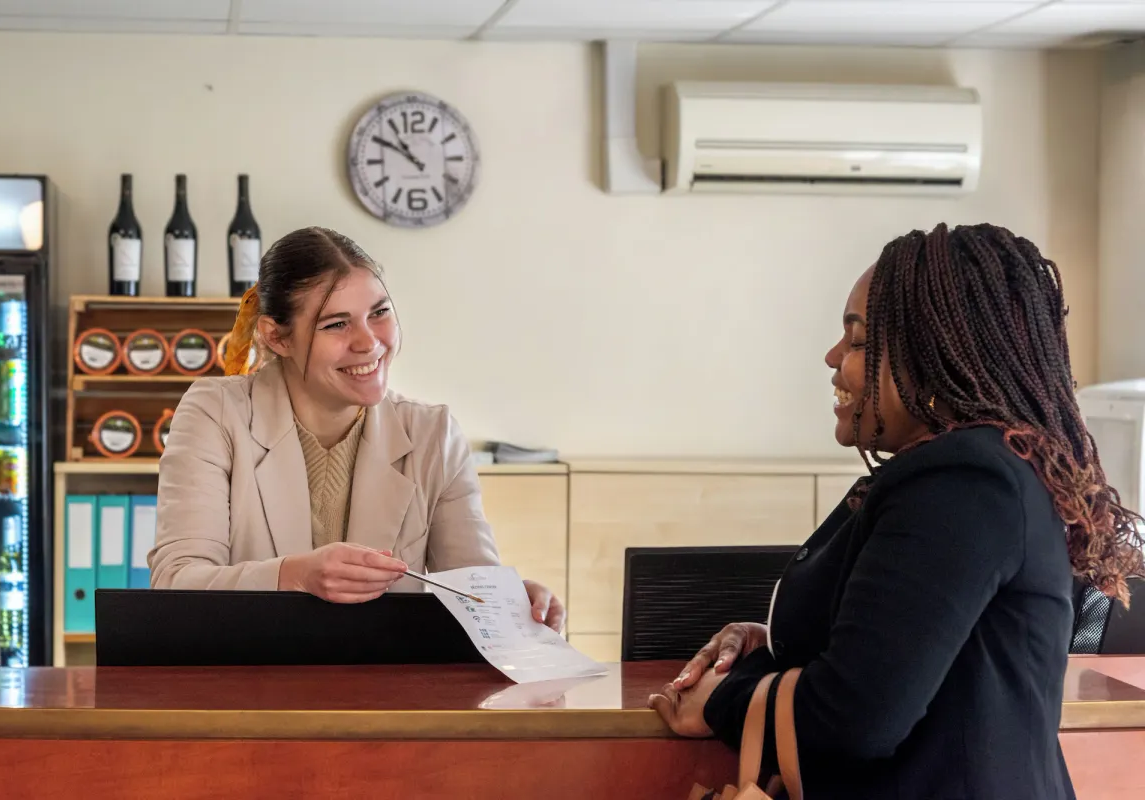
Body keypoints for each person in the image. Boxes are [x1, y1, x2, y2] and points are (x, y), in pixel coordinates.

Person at [650, 223, 1144, 798]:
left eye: (857, 341)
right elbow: (898, 657)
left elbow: (856, 714)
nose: (833, 357)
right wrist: (772, 646)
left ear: (931, 356)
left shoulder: (963, 481)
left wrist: (727, 698)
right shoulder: (958, 470)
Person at [149, 226, 565, 631]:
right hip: (250, 685)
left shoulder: (432, 432)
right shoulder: (215, 413)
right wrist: (293, 576)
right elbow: (176, 582)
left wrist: (509, 606)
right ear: (276, 337)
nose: (369, 343)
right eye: (336, 324)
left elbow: (471, 587)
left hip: (386, 692)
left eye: (379, 313)